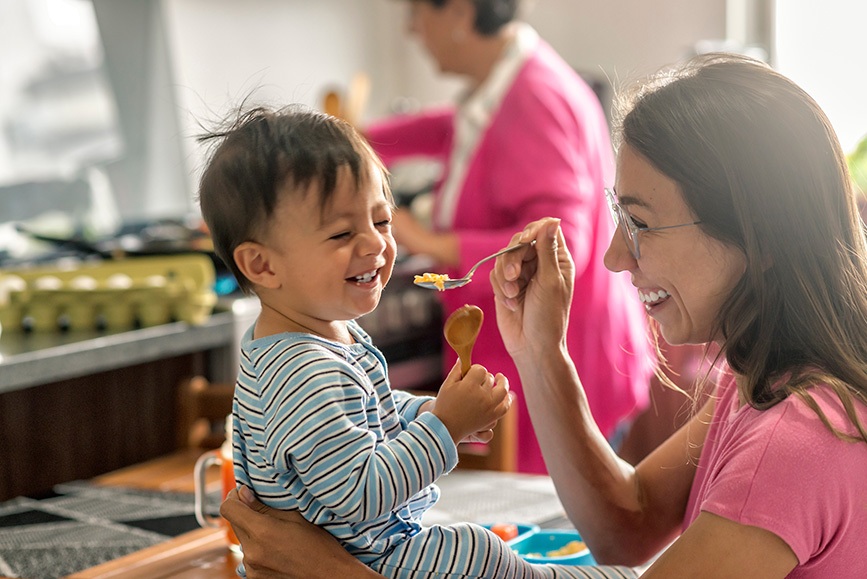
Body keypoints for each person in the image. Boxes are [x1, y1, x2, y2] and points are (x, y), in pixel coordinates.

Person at [221, 53, 867, 577]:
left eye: (638, 224)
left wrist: (326, 569)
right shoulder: (763, 381)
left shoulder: (792, 438)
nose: (614, 256)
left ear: (754, 240)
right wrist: (538, 349)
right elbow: (627, 522)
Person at [197, 104, 635, 578]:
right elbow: (359, 495)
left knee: (479, 551)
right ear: (262, 266)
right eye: (343, 232)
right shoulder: (303, 369)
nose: (376, 245)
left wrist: (428, 412)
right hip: (360, 561)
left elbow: (369, 413)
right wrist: (444, 426)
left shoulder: (321, 338)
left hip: (359, 559)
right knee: (476, 552)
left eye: (382, 221)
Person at [365, 0, 653, 473]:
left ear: (458, 12)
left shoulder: (536, 97)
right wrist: (349, 138)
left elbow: (561, 246)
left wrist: (428, 242)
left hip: (567, 360)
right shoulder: (507, 82)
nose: (413, 30)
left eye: (418, 12)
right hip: (550, 359)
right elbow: (451, 131)